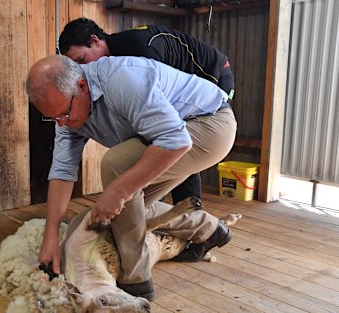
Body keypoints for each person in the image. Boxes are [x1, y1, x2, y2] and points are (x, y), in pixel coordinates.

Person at [26, 54, 236, 301]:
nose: (62, 124)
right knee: (112, 215)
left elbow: (176, 141)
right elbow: (62, 171)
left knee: (116, 166)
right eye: (54, 119)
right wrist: (50, 235)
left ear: (81, 86)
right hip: (167, 139)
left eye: (64, 114)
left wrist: (118, 191)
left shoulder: (121, 80)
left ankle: (136, 281)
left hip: (209, 126)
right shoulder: (67, 110)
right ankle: (209, 229)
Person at [58, 18, 235, 206]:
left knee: (172, 139)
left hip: (214, 77)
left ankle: (189, 210)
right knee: (156, 143)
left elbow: (168, 133)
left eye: (82, 61)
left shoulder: (139, 50)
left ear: (95, 40)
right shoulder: (110, 65)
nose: (82, 70)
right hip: (185, 96)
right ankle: (159, 211)